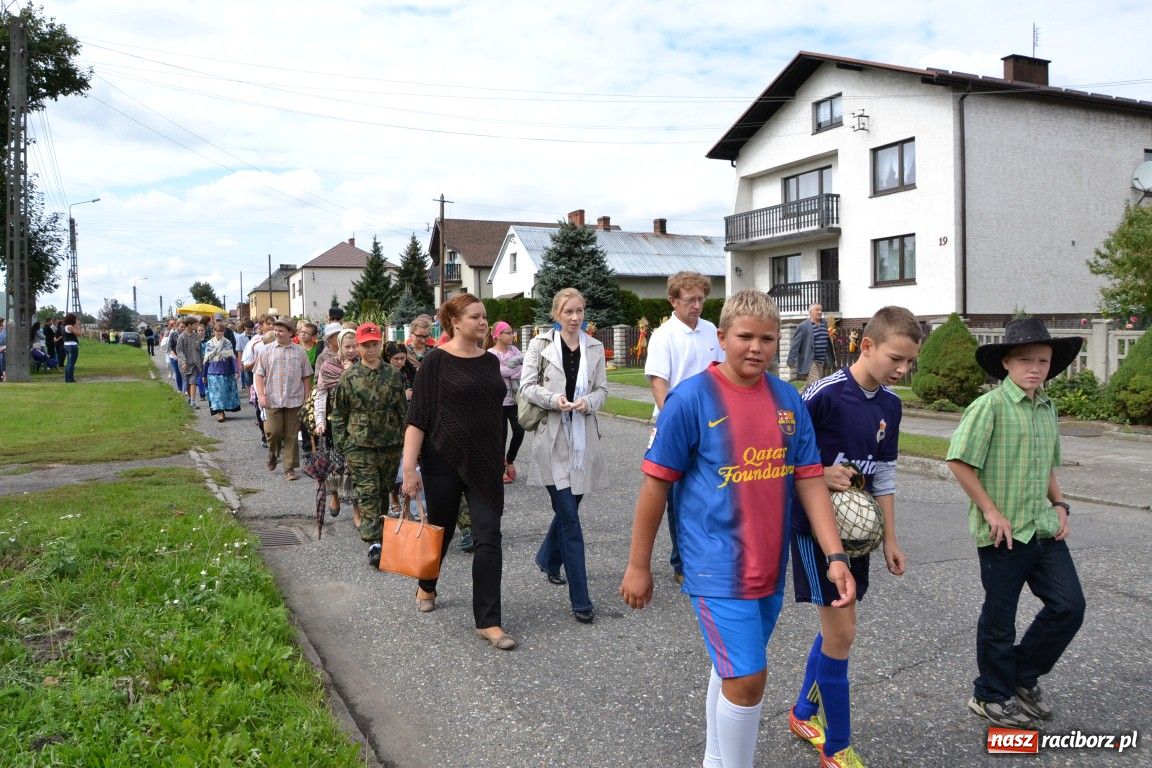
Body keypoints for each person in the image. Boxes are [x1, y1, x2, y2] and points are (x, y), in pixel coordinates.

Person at [620, 289, 855, 768]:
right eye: (745, 337)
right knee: (749, 678)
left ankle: (715, 758)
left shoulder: (787, 400)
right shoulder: (691, 399)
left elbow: (810, 479)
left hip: (767, 564)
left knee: (733, 668)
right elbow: (655, 486)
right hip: (714, 565)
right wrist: (638, 565)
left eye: (767, 339)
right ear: (722, 338)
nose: (756, 348)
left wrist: (835, 556)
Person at [786, 306, 923, 768]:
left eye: (910, 362)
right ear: (866, 346)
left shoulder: (891, 405)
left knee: (836, 633)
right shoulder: (823, 394)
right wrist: (818, 473)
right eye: (895, 358)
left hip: (857, 533)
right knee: (843, 634)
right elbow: (778, 452)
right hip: (814, 531)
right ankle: (837, 748)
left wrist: (891, 539)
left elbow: (883, 474)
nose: (902, 369)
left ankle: (803, 712)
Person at [946, 318, 1085, 729]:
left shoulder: (1046, 407)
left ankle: (1021, 676)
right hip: (1003, 532)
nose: (1035, 368)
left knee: (1069, 606)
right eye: (1025, 359)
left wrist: (1060, 504)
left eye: (1042, 360)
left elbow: (1046, 465)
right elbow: (959, 461)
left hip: (1042, 526)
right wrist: (991, 511)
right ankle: (989, 694)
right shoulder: (989, 406)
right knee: (1000, 619)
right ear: (1006, 362)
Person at [400, 294, 514, 650]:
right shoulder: (435, 361)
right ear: (455, 322)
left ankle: (489, 621)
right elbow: (418, 418)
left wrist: (504, 457)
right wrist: (409, 469)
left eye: (485, 316)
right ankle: (427, 583)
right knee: (442, 531)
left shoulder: (490, 361)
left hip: (485, 463)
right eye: (475, 317)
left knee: (488, 536)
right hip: (442, 460)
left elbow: (495, 414)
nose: (483, 322)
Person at [519, 290, 608, 623]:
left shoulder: (594, 347)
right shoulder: (540, 345)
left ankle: (547, 557)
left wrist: (589, 403)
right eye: (568, 311)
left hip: (583, 441)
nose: (575, 317)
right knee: (570, 518)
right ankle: (581, 600)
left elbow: (602, 390)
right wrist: (553, 399)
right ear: (556, 313)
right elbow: (526, 387)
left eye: (580, 310)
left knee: (568, 509)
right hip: (552, 439)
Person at [644, 270, 724, 584]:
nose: (697, 305)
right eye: (690, 299)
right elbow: (658, 384)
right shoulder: (663, 336)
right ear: (673, 300)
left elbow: (720, 373)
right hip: (674, 424)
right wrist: (674, 425)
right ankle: (681, 562)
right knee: (676, 496)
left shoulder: (711, 331)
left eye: (701, 299)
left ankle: (710, 552)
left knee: (710, 490)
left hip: (710, 423)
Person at [330, 323, 408, 558]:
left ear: (380, 344)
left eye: (374, 344)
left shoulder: (393, 375)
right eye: (366, 345)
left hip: (390, 443)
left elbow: (402, 410)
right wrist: (343, 444)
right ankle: (373, 541)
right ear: (358, 347)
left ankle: (382, 533)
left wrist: (406, 439)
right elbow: (339, 413)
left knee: (384, 489)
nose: (371, 350)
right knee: (368, 490)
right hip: (359, 444)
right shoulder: (349, 377)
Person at [254, 317, 313, 481]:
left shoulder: (299, 351)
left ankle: (289, 468)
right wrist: (261, 395)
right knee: (273, 431)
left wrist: (307, 397)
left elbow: (306, 376)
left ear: (290, 333)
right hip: (272, 399)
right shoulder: (266, 350)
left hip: (294, 399)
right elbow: (258, 374)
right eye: (276, 330)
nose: (277, 333)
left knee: (291, 435)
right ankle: (273, 452)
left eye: (281, 330)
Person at [314, 327, 362, 527]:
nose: (351, 350)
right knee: (335, 464)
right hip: (336, 423)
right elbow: (321, 393)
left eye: (354, 346)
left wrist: (352, 371)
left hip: (358, 422)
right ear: (339, 346)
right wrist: (320, 421)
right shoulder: (328, 366)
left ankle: (357, 509)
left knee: (355, 467)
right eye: (347, 346)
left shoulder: (363, 365)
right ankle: (334, 494)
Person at [487, 321, 525, 483]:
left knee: (520, 431)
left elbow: (525, 367)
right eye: (508, 333)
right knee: (500, 437)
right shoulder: (491, 353)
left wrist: (511, 371)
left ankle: (510, 460)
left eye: (511, 332)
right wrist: (514, 370)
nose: (512, 335)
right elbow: (498, 371)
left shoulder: (514, 350)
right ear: (498, 335)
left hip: (515, 400)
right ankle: (500, 469)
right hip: (498, 402)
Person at [204, 322, 242, 422]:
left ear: (224, 332)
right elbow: (207, 359)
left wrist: (236, 371)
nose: (219, 333)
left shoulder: (228, 343)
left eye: (221, 331)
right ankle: (220, 413)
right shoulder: (209, 344)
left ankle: (223, 411)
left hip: (226, 371)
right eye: (217, 331)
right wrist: (204, 374)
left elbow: (232, 357)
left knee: (225, 393)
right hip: (213, 372)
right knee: (216, 394)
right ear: (214, 331)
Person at [788, 304, 831, 384]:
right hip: (810, 360)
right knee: (816, 383)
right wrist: (791, 359)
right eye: (817, 310)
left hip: (821, 360)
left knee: (811, 384)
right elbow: (795, 344)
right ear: (810, 312)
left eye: (821, 310)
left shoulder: (824, 323)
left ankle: (801, 393)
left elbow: (826, 341)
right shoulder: (803, 326)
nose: (820, 312)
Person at [175, 317, 203, 405]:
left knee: (193, 381)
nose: (197, 326)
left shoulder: (196, 336)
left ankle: (193, 402)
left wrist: (201, 362)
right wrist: (183, 362)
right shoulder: (181, 337)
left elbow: (199, 350)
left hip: (194, 364)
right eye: (195, 325)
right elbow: (179, 351)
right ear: (190, 325)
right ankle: (190, 398)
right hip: (185, 364)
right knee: (187, 383)